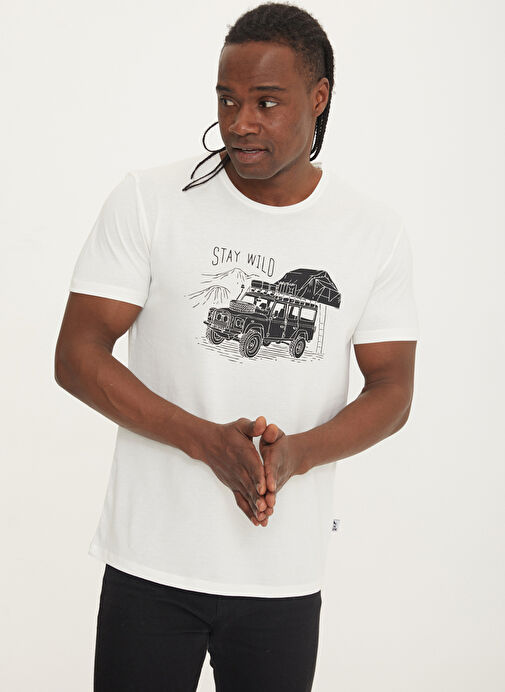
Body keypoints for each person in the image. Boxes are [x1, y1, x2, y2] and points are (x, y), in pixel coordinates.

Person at [54, 3, 420, 691]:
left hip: (282, 573)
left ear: (318, 98)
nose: (239, 121)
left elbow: (393, 390)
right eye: (227, 99)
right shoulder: (150, 199)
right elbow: (78, 355)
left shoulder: (372, 231)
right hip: (150, 562)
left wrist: (298, 453)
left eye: (266, 102)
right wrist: (204, 441)